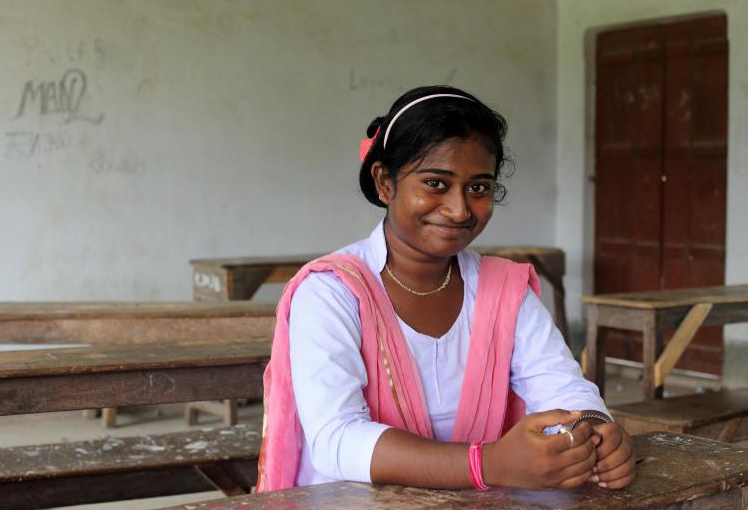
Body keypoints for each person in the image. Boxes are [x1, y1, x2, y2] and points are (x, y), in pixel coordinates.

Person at [257, 85, 634, 492]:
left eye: (478, 188)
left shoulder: (504, 289)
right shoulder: (332, 292)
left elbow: (561, 386)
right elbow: (337, 440)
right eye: (436, 183)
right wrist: (485, 464)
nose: (459, 209)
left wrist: (595, 429)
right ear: (385, 182)